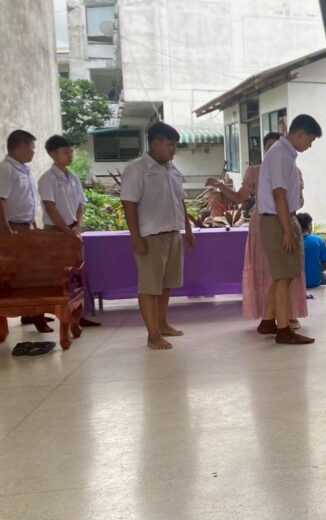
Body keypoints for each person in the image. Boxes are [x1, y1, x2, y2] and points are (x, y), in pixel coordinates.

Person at [206, 132, 309, 329]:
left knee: (288, 270)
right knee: (269, 271)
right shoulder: (255, 171)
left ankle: (287, 314)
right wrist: (220, 186)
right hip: (264, 223)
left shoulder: (293, 169)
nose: (273, 152)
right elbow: (239, 198)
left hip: (287, 219)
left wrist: (290, 205)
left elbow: (298, 200)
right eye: (269, 148)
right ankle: (269, 317)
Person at [119, 122, 195, 350]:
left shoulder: (172, 169)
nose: (174, 150)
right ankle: (153, 335)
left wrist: (188, 229)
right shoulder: (137, 169)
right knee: (150, 287)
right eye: (170, 145)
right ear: (155, 144)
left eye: (175, 145)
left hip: (173, 233)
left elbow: (180, 200)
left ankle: (162, 324)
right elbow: (128, 204)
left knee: (166, 284)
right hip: (150, 236)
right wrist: (136, 238)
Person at [256, 114, 321, 344]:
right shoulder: (281, 154)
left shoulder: (284, 153)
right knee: (283, 277)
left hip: (281, 218)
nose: (309, 146)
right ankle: (283, 330)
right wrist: (287, 231)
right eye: (310, 140)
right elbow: (279, 194)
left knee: (283, 275)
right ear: (300, 134)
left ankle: (268, 321)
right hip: (277, 220)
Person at [38, 134, 100, 327]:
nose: (70, 155)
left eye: (71, 152)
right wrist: (66, 231)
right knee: (55, 275)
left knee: (76, 274)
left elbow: (80, 205)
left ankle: (78, 315)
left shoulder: (73, 178)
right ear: (53, 154)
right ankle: (43, 316)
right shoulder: (47, 179)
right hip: (55, 232)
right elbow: (50, 208)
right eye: (66, 152)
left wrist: (77, 226)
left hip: (73, 231)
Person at [0, 130, 52, 331]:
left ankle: (31, 314)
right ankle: (35, 315)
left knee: (31, 272)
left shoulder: (24, 170)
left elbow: (26, 200)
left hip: (26, 226)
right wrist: (6, 232)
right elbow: (1, 201)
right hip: (12, 227)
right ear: (21, 146)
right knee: (20, 275)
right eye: (32, 147)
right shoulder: (6, 169)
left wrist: (33, 225)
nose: (33, 152)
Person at [297, 212, 326, 289]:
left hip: (298, 284)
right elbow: (325, 266)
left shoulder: (292, 242)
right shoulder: (318, 240)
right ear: (309, 226)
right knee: (324, 275)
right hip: (316, 283)